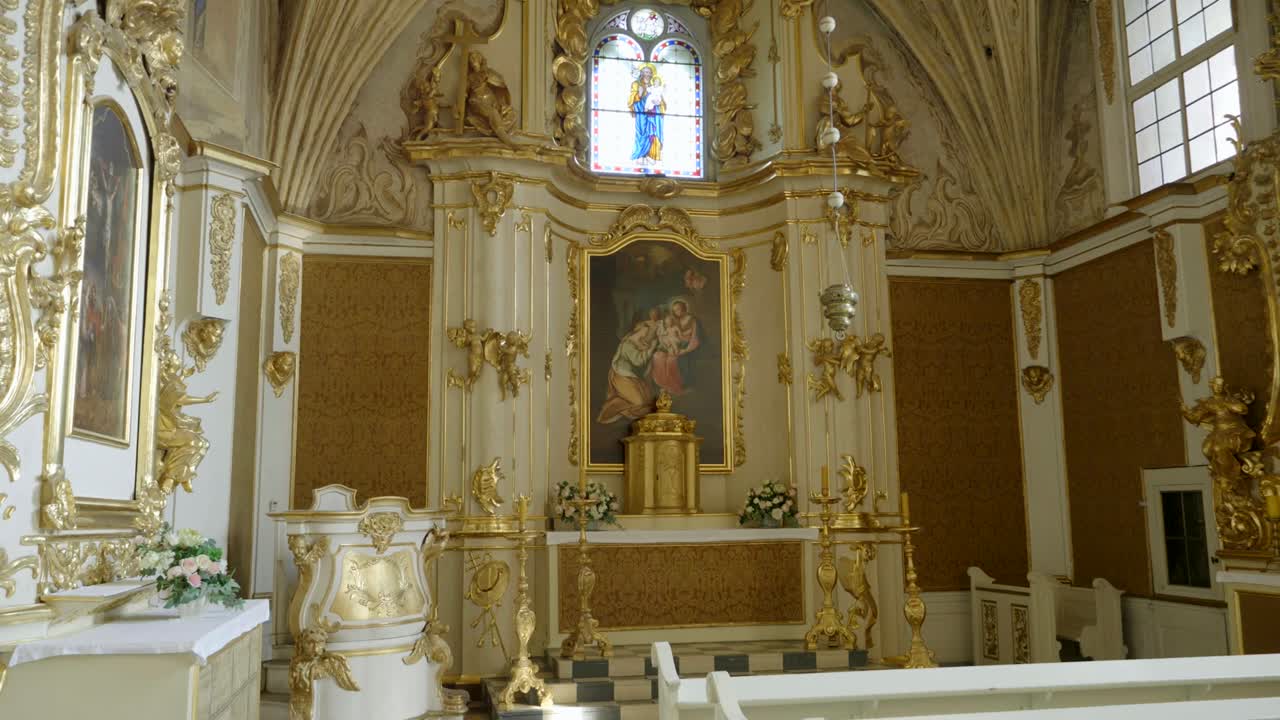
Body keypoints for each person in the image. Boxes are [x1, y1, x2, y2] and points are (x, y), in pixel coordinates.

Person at [596, 312, 660, 424]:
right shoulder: (628, 345)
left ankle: (625, 397)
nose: (645, 338)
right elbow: (639, 361)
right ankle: (610, 407)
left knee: (648, 401)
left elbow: (643, 346)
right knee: (639, 403)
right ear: (638, 332)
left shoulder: (636, 341)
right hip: (621, 376)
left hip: (630, 375)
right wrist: (651, 349)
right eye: (643, 335)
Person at [629, 64, 665, 166]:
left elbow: (662, 101)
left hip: (653, 113)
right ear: (641, 73)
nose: (647, 74)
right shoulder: (636, 84)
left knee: (652, 132)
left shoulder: (655, 87)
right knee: (641, 132)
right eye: (645, 72)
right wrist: (639, 94)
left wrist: (659, 103)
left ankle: (652, 155)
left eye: (649, 72)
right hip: (641, 111)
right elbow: (632, 99)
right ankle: (640, 154)